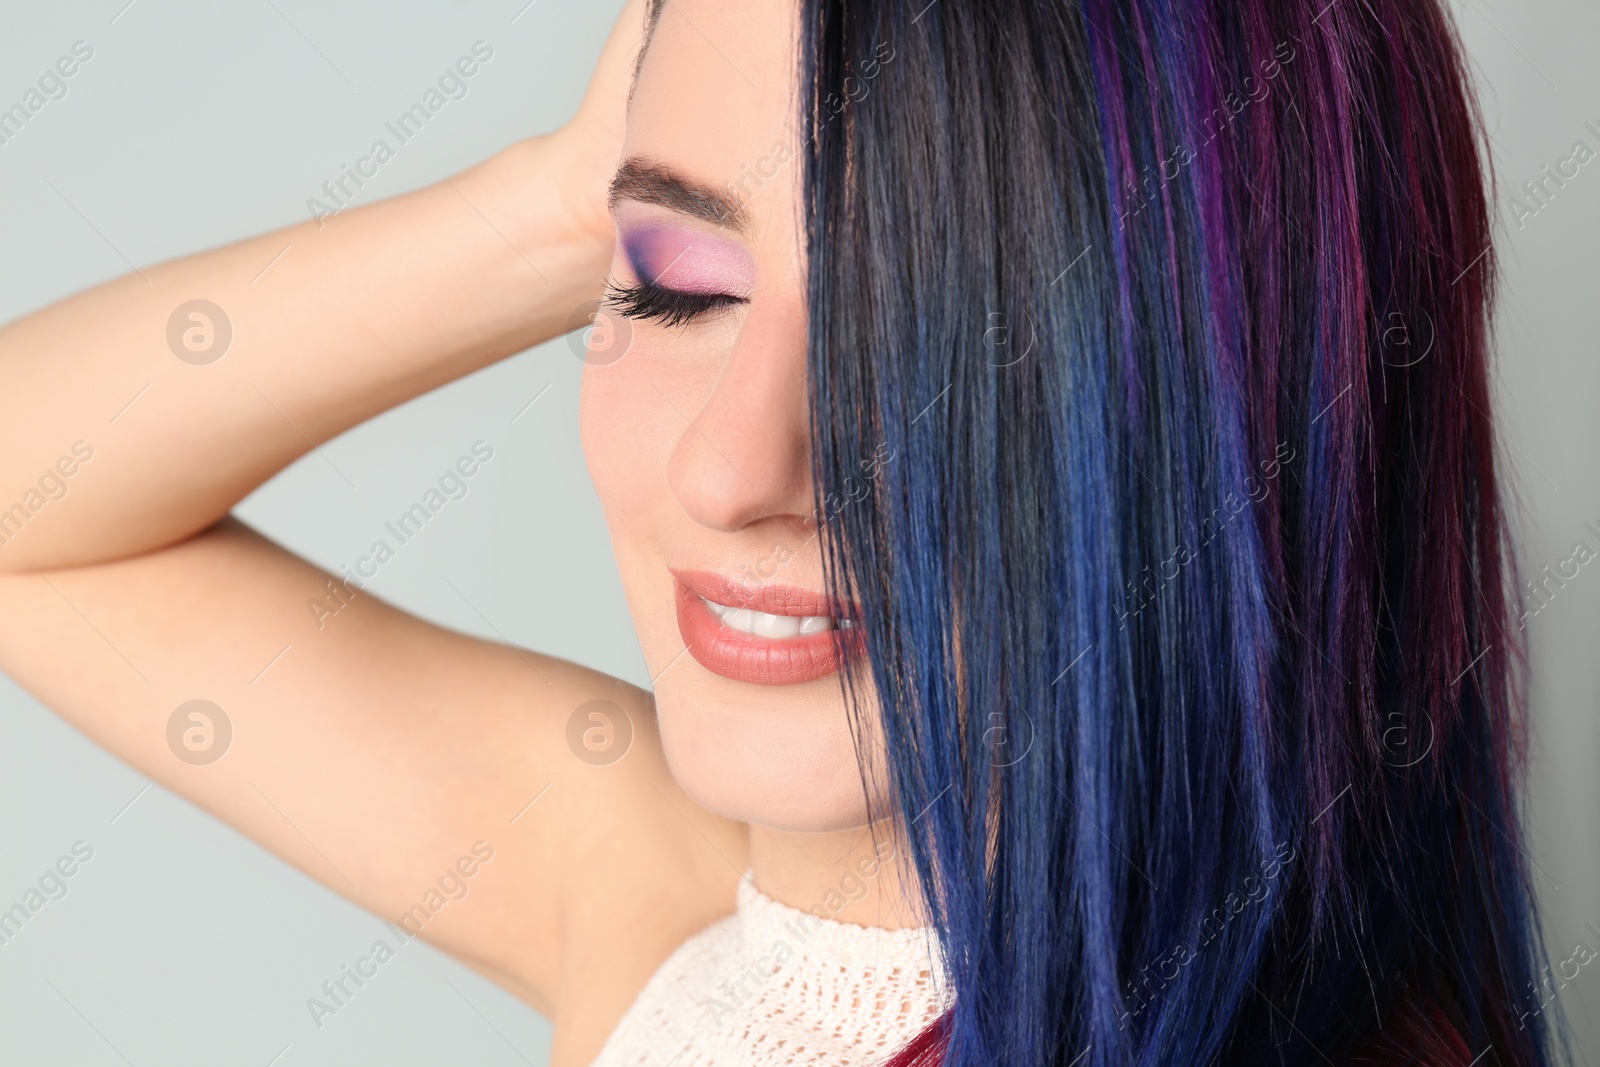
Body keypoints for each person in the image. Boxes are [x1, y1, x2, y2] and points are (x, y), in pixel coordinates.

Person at [0, 0, 1564, 1064]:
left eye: (930, 332)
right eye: (678, 284)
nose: (732, 468)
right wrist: (558, 204)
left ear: (1217, 410)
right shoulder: (654, 895)